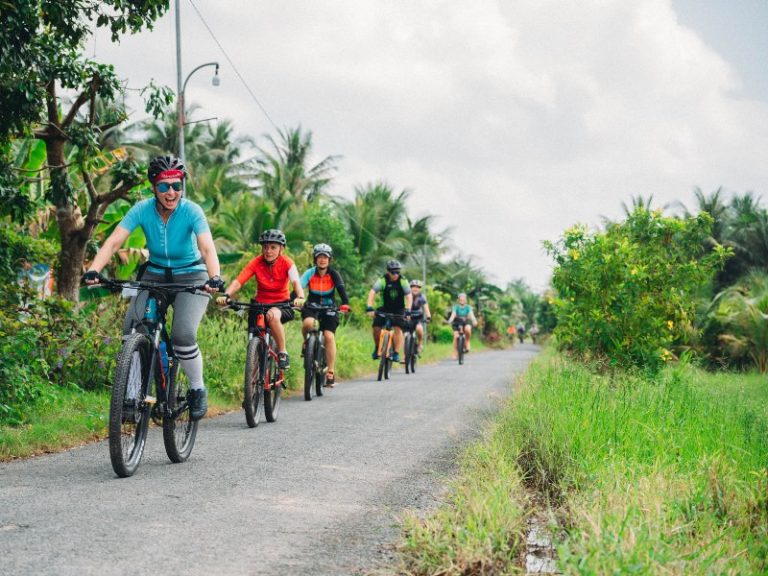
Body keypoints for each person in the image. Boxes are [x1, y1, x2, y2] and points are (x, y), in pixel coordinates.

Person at [83, 155, 224, 421]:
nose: (171, 192)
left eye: (177, 185)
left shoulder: (192, 210)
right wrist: (94, 269)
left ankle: (197, 388)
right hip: (155, 274)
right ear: (153, 188)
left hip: (192, 276)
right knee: (133, 328)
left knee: (183, 336)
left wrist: (214, 276)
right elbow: (114, 242)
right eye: (164, 186)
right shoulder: (141, 210)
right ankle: (132, 394)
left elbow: (207, 247)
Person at [216, 229, 304, 370]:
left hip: (281, 305)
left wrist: (300, 297)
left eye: (273, 247)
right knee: (254, 331)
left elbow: (296, 283)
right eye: (265, 247)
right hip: (260, 304)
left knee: (272, 316)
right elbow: (239, 281)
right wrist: (226, 295)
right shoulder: (256, 262)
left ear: (281, 248)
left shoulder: (287, 263)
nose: (268, 251)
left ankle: (282, 352)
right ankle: (254, 370)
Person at [299, 243, 351, 387]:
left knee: (329, 336)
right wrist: (293, 299)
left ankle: (330, 372)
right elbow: (299, 287)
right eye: (319, 257)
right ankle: (306, 343)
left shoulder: (334, 274)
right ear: (315, 259)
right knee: (308, 324)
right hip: (311, 307)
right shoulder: (310, 273)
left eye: (325, 257)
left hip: (329, 309)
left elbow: (341, 290)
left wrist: (346, 303)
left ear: (330, 260)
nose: (322, 260)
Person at [366, 259, 412, 363]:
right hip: (384, 308)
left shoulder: (403, 281)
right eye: (393, 272)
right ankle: (377, 347)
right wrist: (369, 307)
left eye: (397, 272)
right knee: (376, 327)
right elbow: (372, 292)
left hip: (399, 309)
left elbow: (409, 296)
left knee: (398, 328)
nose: (395, 274)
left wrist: (408, 310)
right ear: (388, 271)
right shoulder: (382, 280)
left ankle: (395, 352)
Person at [446, 293, 478, 359]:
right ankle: (455, 352)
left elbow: (471, 315)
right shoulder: (456, 307)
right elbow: (453, 314)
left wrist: (474, 320)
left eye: (464, 299)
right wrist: (450, 320)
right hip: (457, 322)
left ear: (466, 300)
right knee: (455, 336)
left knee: (468, 329)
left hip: (466, 322)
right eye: (461, 299)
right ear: (458, 300)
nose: (462, 300)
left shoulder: (468, 307)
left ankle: (467, 342)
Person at [408, 279, 431, 353]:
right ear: (410, 288)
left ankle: (420, 344)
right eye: (413, 286)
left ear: (420, 289)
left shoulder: (422, 297)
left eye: (417, 287)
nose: (415, 288)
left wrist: (428, 316)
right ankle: (405, 355)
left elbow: (426, 307)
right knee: (402, 334)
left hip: (418, 318)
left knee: (419, 329)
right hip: (408, 317)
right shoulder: (406, 295)